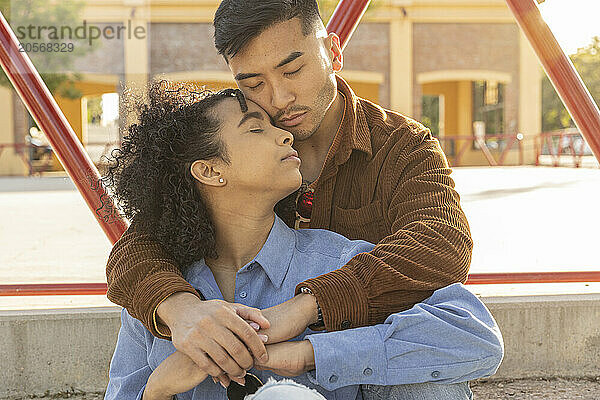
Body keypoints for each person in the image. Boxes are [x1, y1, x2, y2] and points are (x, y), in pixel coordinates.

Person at [105, 0, 474, 388]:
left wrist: (306, 308)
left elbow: (442, 245)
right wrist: (182, 312)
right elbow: (139, 246)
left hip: (365, 360)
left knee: (427, 379)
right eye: (253, 84)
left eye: (292, 69)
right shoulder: (245, 161)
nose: (279, 99)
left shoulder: (402, 146)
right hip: (246, 362)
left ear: (333, 52)